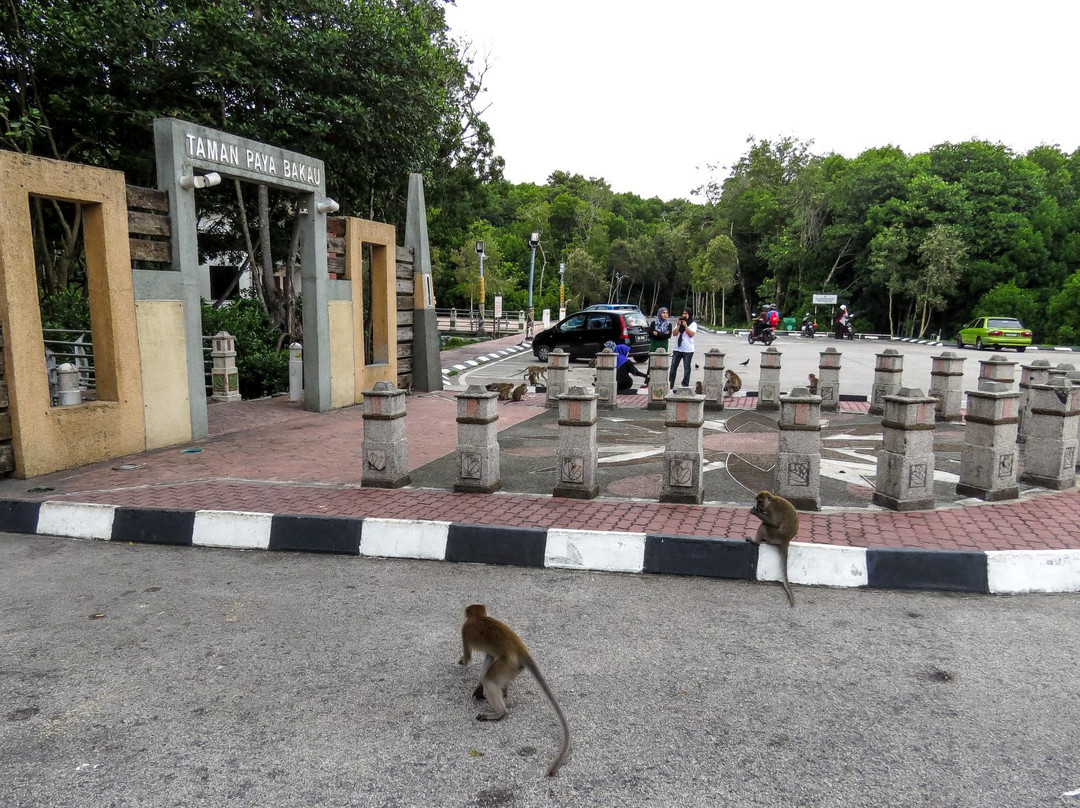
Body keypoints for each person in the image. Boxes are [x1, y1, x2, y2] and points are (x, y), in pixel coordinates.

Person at [668, 308, 698, 388]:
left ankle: (685, 385)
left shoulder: (693, 324)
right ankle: (670, 384)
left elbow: (691, 334)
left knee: (687, 368)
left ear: (689, 315)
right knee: (673, 367)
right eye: (683, 313)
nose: (684, 315)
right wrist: (678, 325)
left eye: (686, 314)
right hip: (677, 349)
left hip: (688, 350)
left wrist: (685, 326)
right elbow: (674, 334)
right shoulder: (679, 322)